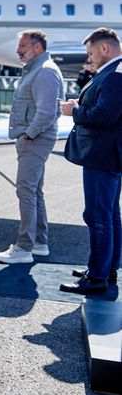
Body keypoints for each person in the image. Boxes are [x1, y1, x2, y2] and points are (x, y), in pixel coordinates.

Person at [59, 28, 122, 294]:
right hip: (108, 156)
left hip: (102, 156)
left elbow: (104, 114)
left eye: (91, 52)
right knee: (109, 216)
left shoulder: (114, 75)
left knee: (98, 217)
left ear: (104, 49)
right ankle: (106, 270)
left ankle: (97, 276)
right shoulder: (114, 72)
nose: (90, 58)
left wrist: (75, 110)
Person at [0, 30, 63, 263]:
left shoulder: (44, 72)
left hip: (35, 139)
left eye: (22, 46)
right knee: (34, 191)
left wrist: (30, 134)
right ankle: (39, 242)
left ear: (37, 47)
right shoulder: (39, 69)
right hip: (34, 138)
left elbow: (46, 111)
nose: (18, 51)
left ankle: (23, 248)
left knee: (25, 191)